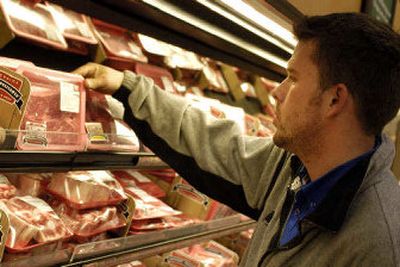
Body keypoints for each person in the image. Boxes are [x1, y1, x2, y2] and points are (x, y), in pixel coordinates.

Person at [74, 13, 400, 266]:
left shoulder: (379, 244)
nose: (277, 91)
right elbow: (217, 145)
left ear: (334, 100)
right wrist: (128, 87)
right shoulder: (299, 166)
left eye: (293, 78)